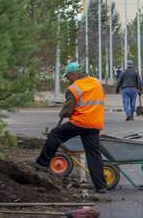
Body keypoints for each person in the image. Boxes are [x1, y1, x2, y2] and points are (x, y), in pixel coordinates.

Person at [31, 62, 107, 193]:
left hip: (80, 122)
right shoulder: (96, 82)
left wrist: (63, 113)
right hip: (95, 123)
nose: (68, 79)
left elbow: (68, 109)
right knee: (93, 155)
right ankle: (101, 186)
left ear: (74, 74)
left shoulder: (74, 88)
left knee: (55, 134)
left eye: (68, 77)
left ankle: (42, 163)